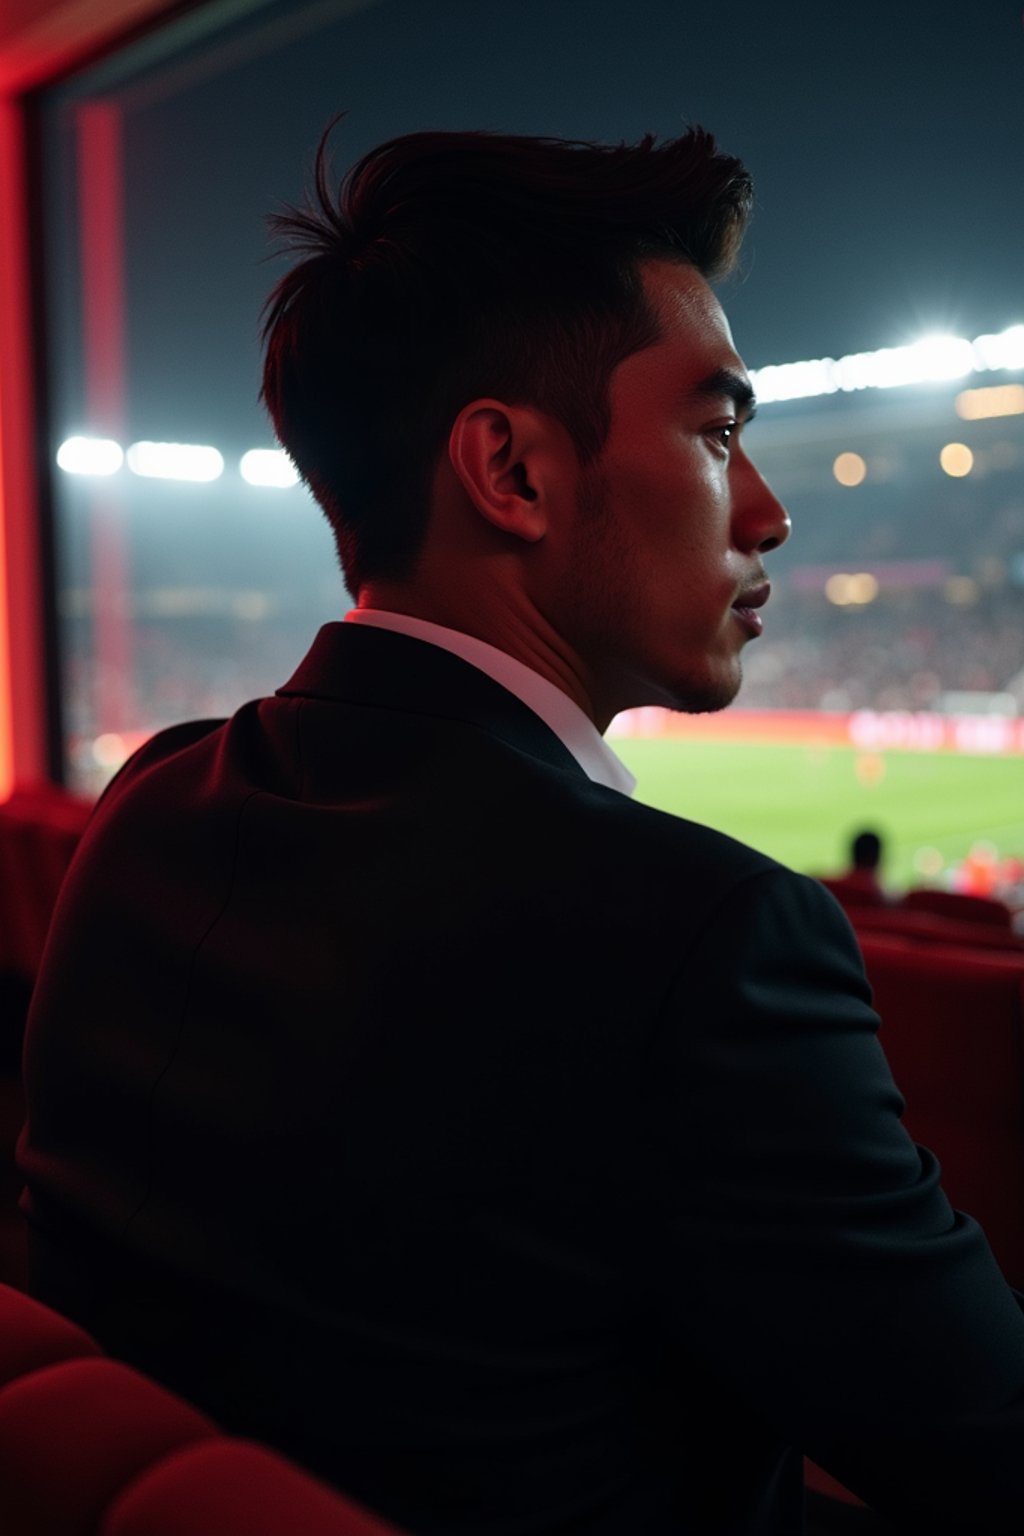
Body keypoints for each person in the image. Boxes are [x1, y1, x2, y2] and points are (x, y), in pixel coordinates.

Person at [17, 120, 1024, 1535]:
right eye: (719, 429)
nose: (772, 511)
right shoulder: (705, 946)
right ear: (513, 471)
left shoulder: (150, 809)